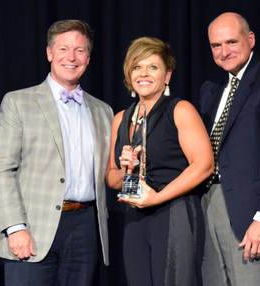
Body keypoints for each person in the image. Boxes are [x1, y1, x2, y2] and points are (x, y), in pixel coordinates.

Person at [0, 19, 113, 286]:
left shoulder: (103, 111)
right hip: (32, 229)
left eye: (79, 50)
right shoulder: (18, 102)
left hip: (85, 231)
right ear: (49, 53)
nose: (71, 57)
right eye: (63, 49)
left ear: (88, 58)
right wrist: (15, 227)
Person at [198, 12, 260, 286]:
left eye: (231, 42)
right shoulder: (210, 90)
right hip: (207, 205)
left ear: (251, 39)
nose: (224, 51)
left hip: (250, 214)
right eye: (216, 46)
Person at [106, 37, 214, 286]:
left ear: (167, 75)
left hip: (173, 211)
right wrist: (126, 170)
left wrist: (157, 197)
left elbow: (204, 165)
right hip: (135, 217)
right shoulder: (121, 118)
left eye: (153, 67)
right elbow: (111, 177)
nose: (144, 74)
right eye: (137, 67)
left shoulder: (180, 110)